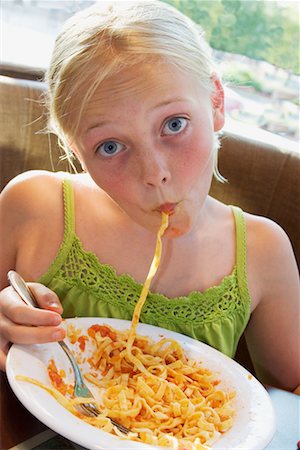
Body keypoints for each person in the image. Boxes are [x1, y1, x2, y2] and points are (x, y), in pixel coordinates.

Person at [0, 0, 299, 395]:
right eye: (110, 147)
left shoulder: (262, 251)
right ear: (76, 152)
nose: (154, 172)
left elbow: (291, 393)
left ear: (216, 103)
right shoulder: (35, 207)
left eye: (174, 125)